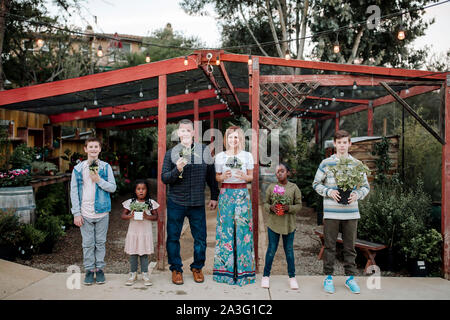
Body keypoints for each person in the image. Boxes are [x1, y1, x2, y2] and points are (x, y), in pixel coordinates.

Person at [161, 119, 219, 285]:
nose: (185, 133)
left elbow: (211, 176)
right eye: (182, 130)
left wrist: (214, 196)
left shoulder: (204, 151)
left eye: (188, 130)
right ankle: (176, 269)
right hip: (176, 202)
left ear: (194, 133)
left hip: (197, 203)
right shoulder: (171, 153)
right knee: (173, 237)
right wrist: (176, 169)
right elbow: (164, 178)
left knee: (200, 238)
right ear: (178, 133)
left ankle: (197, 267)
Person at [312, 130, 370, 294]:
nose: (342, 145)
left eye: (345, 142)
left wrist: (357, 194)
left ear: (350, 144)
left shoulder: (357, 165)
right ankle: (328, 277)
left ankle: (350, 278)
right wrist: (329, 192)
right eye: (340, 142)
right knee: (329, 246)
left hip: (351, 213)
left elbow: (366, 187)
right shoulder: (326, 163)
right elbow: (316, 184)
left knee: (349, 247)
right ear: (335, 144)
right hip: (331, 213)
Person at [70, 137, 116, 285]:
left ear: (100, 149)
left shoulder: (106, 167)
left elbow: (112, 187)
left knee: (100, 242)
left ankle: (100, 270)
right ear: (85, 149)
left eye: (96, 146)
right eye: (91, 147)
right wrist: (76, 213)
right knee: (88, 243)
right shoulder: (78, 169)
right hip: (85, 212)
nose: (94, 149)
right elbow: (74, 191)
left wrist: (98, 180)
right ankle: (90, 270)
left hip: (102, 212)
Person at [213, 126, 256, 286]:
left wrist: (245, 176)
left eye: (236, 137)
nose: (233, 140)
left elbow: (251, 177)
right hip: (225, 195)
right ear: (226, 139)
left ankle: (245, 273)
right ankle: (225, 273)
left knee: (243, 232)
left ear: (240, 139)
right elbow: (217, 177)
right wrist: (222, 176)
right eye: (230, 137)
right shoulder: (220, 157)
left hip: (242, 195)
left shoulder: (247, 156)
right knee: (225, 232)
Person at [261, 162, 302, 290]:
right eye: (277, 171)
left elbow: (299, 205)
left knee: (289, 251)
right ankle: (266, 276)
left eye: (282, 171)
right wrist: (271, 207)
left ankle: (292, 277)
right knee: (271, 250)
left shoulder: (294, 188)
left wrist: (289, 208)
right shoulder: (271, 187)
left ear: (288, 173)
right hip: (273, 224)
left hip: (288, 225)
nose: (279, 173)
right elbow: (265, 203)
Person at [121, 179, 159, 286]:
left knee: (144, 254)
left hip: (145, 232)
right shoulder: (131, 202)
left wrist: (147, 216)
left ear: (147, 190)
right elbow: (123, 215)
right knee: (133, 253)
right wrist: (130, 216)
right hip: (134, 232)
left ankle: (145, 274)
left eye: (143, 189)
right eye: (138, 189)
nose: (141, 191)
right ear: (135, 190)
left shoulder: (150, 203)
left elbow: (156, 216)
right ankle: (133, 274)